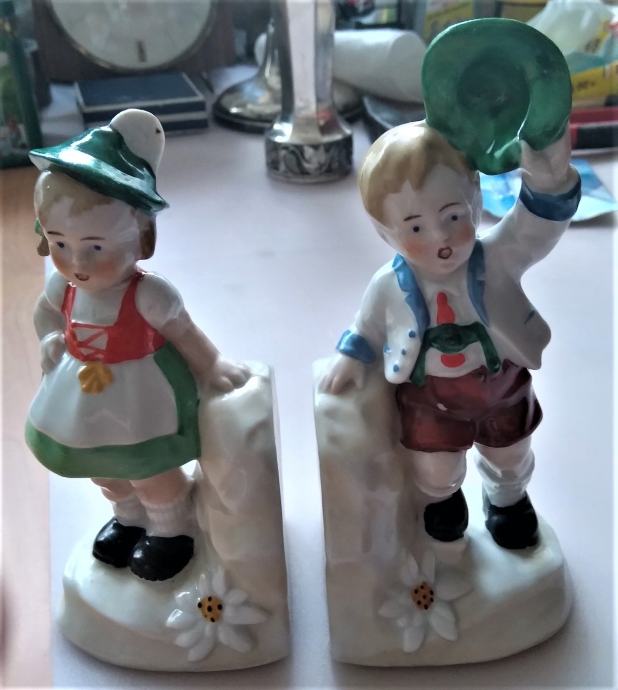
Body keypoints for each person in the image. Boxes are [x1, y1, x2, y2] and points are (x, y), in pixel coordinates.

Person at [321, 121, 581, 549]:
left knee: (510, 454)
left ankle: (508, 499)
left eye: (453, 216)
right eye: (415, 227)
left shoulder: (497, 258)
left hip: (499, 385)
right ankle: (442, 500)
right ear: (384, 231)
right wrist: (351, 354)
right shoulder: (388, 285)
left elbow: (534, 229)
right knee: (435, 466)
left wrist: (548, 184)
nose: (440, 237)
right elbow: (367, 326)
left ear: (476, 201)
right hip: (432, 397)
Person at [26, 109, 250, 581]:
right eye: (61, 245)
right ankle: (127, 518)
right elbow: (46, 316)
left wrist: (213, 367)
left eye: (95, 247)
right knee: (102, 467)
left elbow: (185, 333)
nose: (78, 262)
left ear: (141, 237)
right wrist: (50, 338)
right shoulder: (63, 289)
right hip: (80, 396)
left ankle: (171, 529)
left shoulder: (149, 295)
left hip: (141, 395)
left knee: (150, 470)